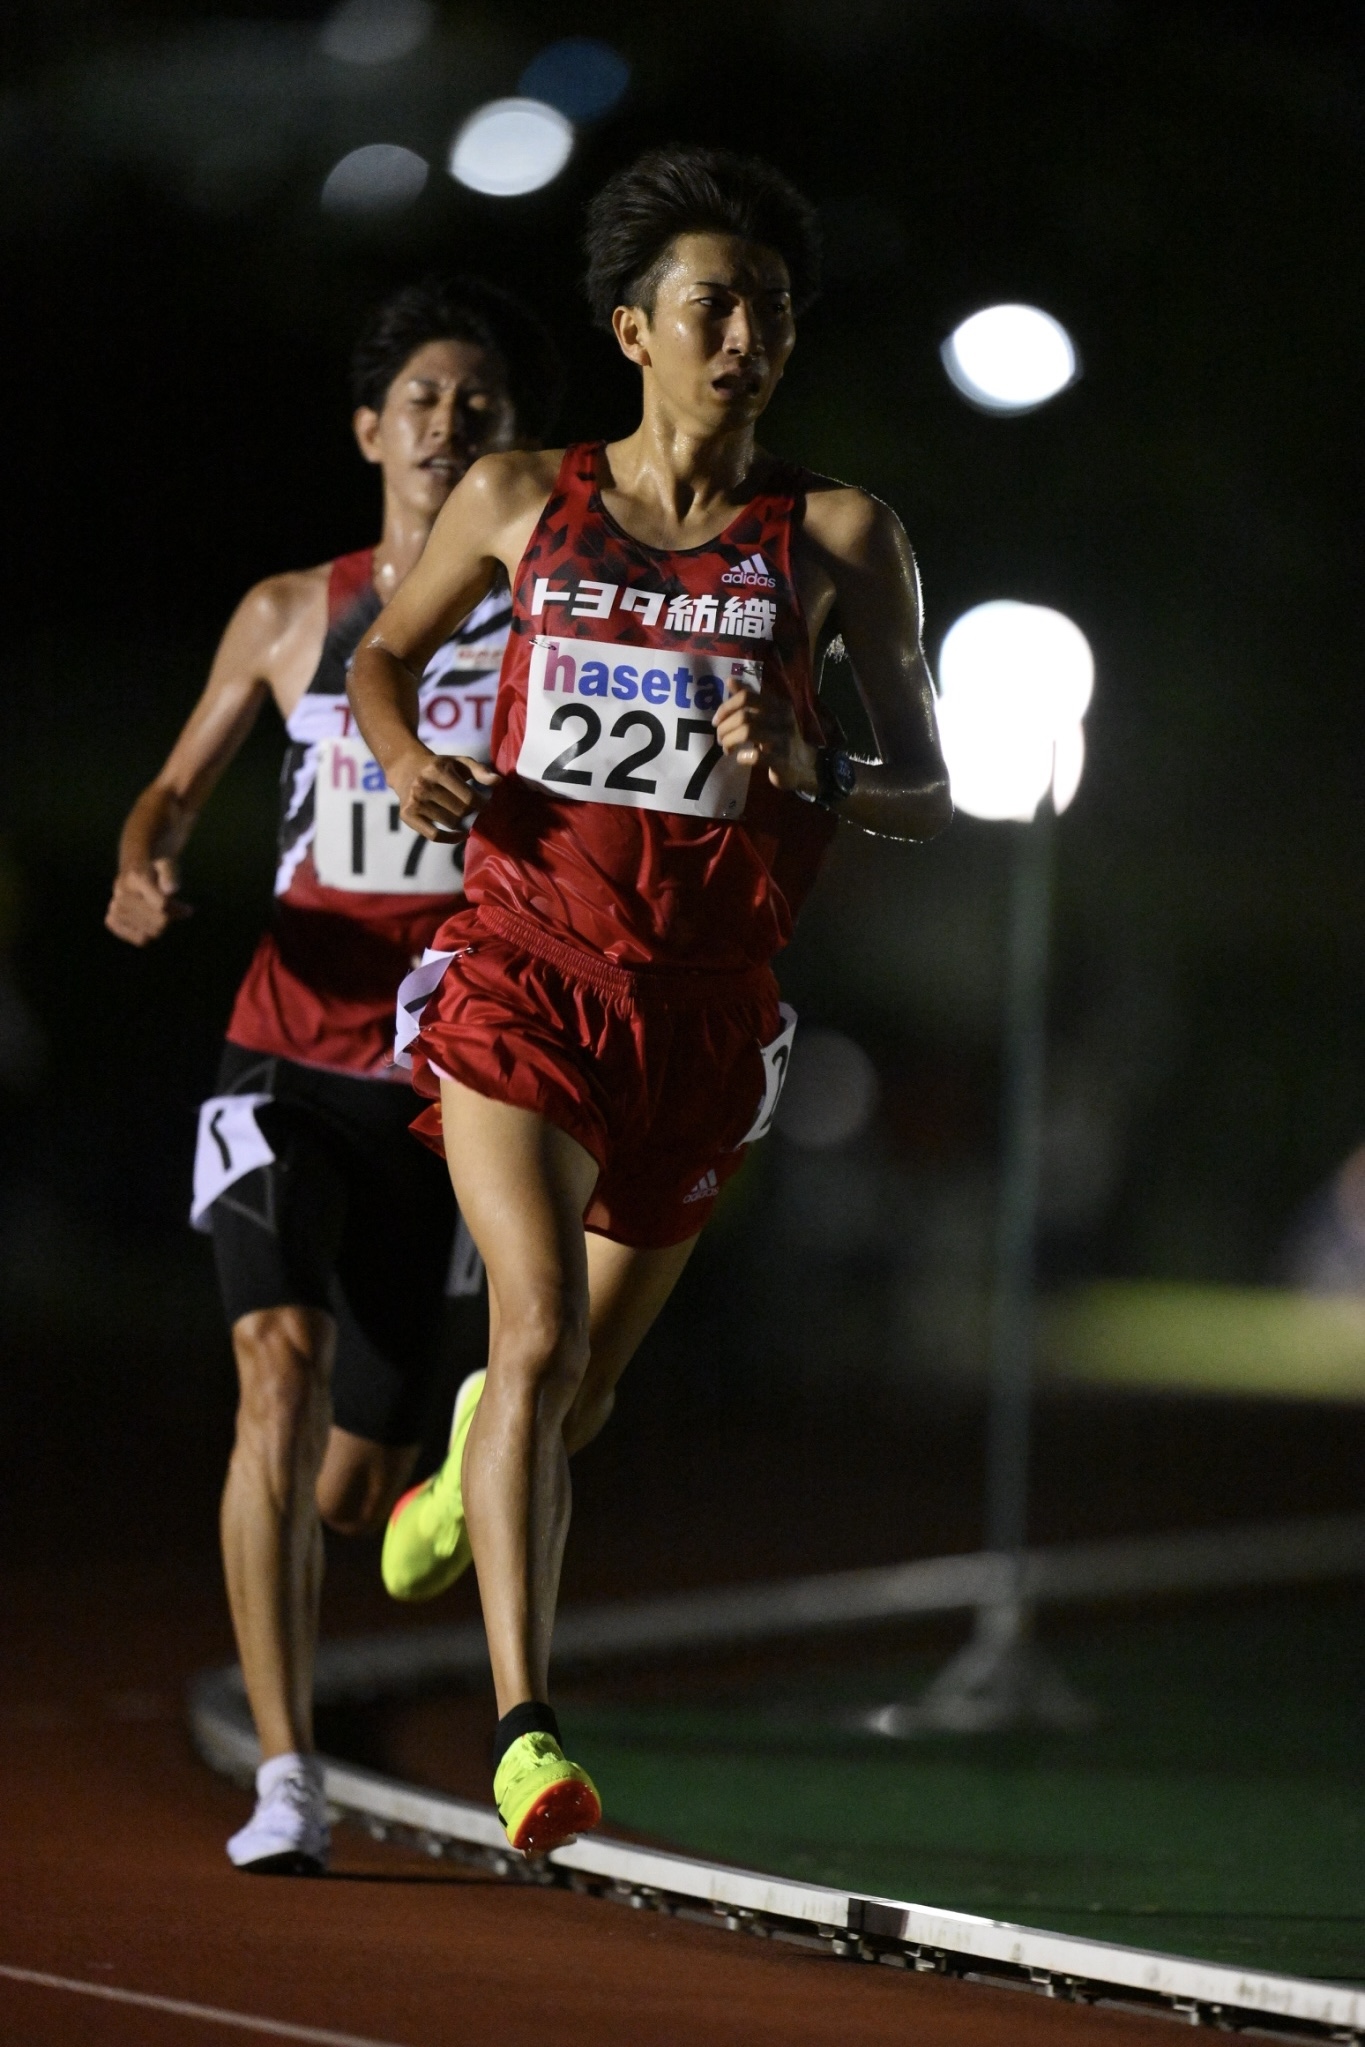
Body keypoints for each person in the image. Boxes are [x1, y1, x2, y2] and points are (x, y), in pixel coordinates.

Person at [348, 147, 952, 1858]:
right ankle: (526, 1732)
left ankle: (485, 1444)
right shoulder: (520, 498)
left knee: (578, 1388)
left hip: (702, 1017)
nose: (746, 333)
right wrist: (404, 758)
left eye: (769, 308)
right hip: (524, 971)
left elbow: (934, 785)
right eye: (713, 306)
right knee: (532, 1329)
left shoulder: (836, 536)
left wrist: (819, 763)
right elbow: (384, 657)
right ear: (632, 329)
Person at [105, 277, 562, 1874]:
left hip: (448, 1090)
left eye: (480, 403)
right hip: (283, 1054)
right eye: (424, 400)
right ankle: (287, 1773)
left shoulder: (540, 619)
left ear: (511, 442)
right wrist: (143, 862)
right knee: (275, 1374)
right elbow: (169, 792)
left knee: (356, 1491)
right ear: (372, 432)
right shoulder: (293, 609)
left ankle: (393, 1489)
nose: (450, 425)